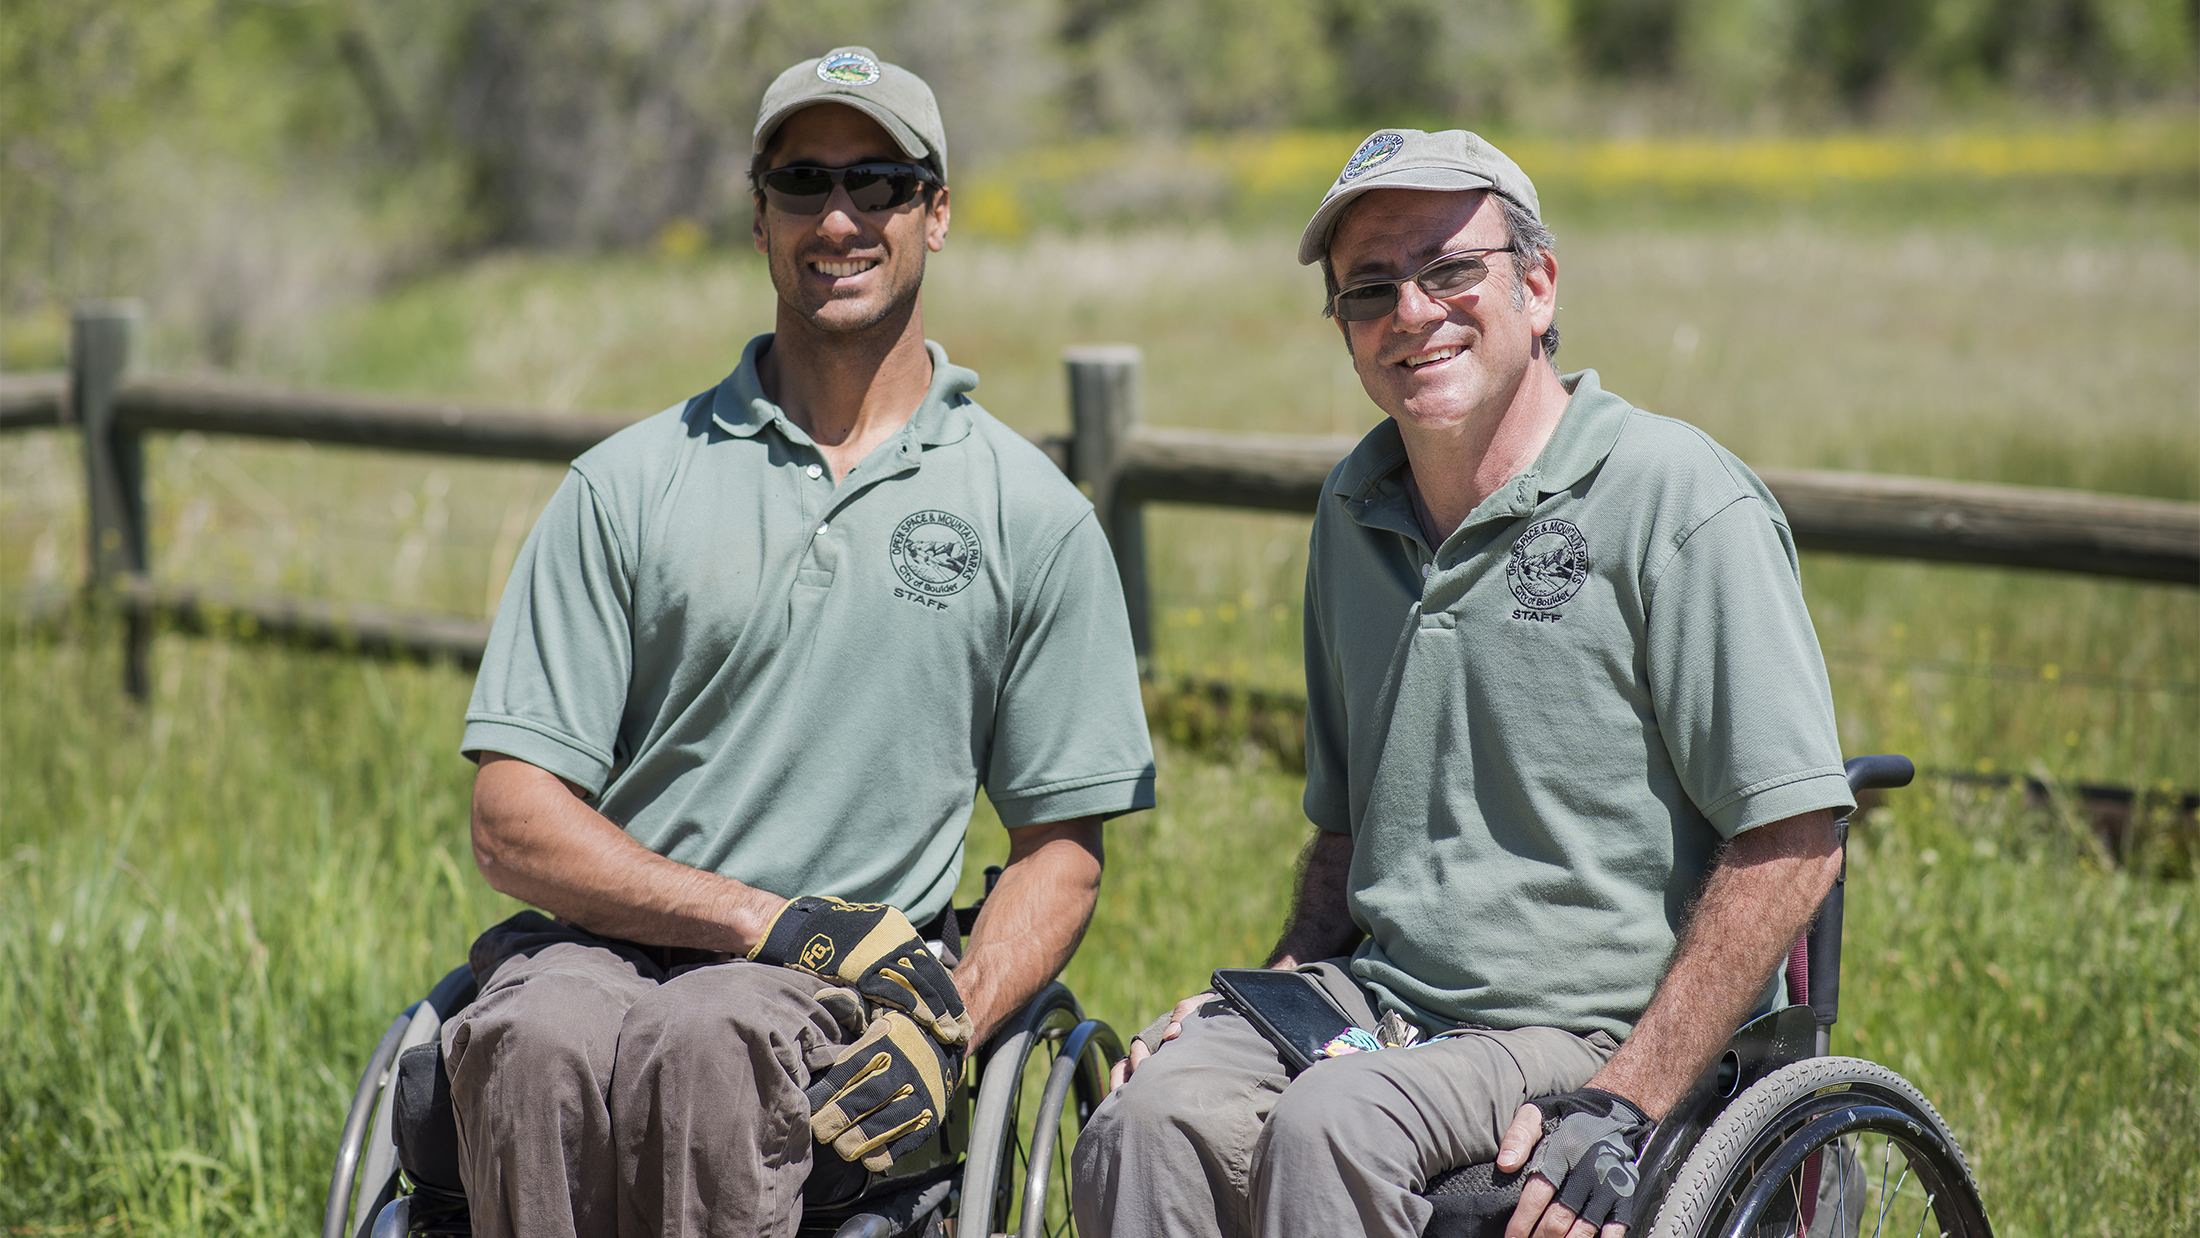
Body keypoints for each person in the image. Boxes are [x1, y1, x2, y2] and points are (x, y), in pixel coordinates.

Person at [1071, 128, 1855, 1238]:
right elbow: (1346, 840)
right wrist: (1262, 991)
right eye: (1370, 289)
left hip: (1589, 1021)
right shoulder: (1353, 510)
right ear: (1344, 331)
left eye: (1450, 269)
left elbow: (1795, 840)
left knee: (1331, 1123)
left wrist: (1625, 1096)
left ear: (1536, 285)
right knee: (1147, 1113)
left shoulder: (1675, 498)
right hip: (1381, 1005)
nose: (1412, 311)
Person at [440, 46, 1155, 1238]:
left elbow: (1061, 852)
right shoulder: (628, 486)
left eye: (878, 182)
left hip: (843, 983)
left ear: (936, 213)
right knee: (527, 1035)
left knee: (709, 1038)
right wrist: (758, 917)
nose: (839, 217)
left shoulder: (1029, 513)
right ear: (757, 218)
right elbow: (512, 816)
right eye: (803, 183)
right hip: (611, 945)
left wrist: (954, 1021)